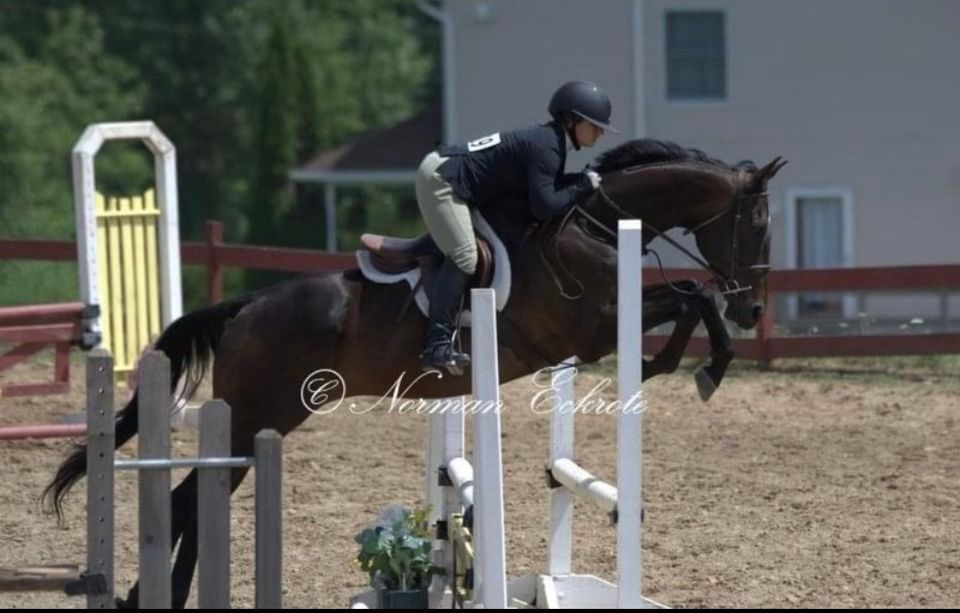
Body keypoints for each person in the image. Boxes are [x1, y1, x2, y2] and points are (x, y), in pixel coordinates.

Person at [415, 80, 617, 374]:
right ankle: (437, 345)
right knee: (465, 256)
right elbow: (545, 206)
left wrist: (577, 183)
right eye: (595, 124)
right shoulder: (547, 146)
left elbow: (545, 193)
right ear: (572, 119)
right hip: (442, 180)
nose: (600, 132)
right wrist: (582, 186)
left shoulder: (551, 142)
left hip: (457, 181)